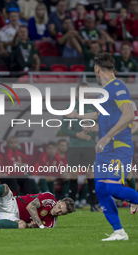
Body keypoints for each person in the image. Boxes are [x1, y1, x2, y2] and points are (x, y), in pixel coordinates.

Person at [66, 53, 138, 241]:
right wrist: (78, 118)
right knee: (100, 189)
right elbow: (99, 115)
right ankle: (119, 232)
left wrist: (106, 136)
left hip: (118, 145)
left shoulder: (117, 87)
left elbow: (129, 115)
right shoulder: (105, 92)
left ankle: (134, 199)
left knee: (113, 188)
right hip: (105, 148)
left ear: (97, 69)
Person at [0, 183, 75, 229]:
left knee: (22, 226)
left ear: (64, 215)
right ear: (59, 201)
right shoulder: (49, 198)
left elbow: (29, 225)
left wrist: (30, 225)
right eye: (59, 207)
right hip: (12, 204)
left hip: (13, 218)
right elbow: (31, 207)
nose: (57, 212)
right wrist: (38, 223)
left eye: (61, 213)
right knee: (4, 188)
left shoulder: (51, 224)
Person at [61, 82, 98, 211]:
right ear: (77, 93)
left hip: (89, 145)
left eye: (86, 91)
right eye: (82, 91)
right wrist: (77, 134)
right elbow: (62, 128)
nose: (85, 94)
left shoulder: (94, 107)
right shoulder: (70, 106)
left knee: (90, 174)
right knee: (73, 175)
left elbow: (101, 127)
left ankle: (94, 204)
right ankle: (71, 205)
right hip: (74, 145)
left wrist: (92, 131)